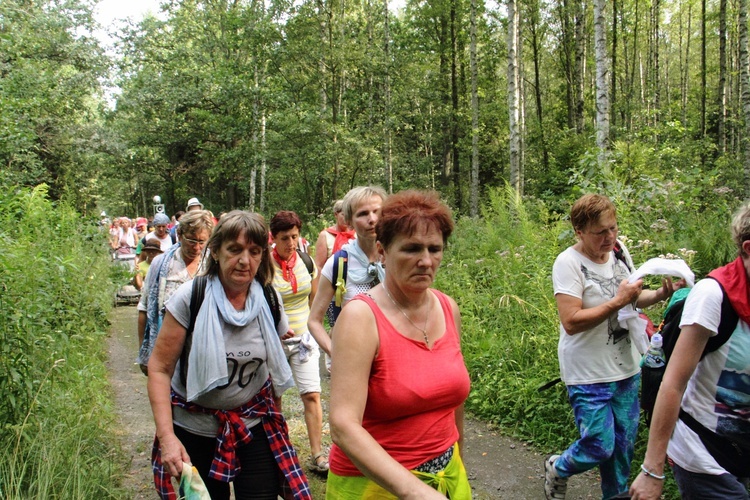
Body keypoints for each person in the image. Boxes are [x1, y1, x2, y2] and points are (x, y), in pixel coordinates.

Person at [147, 210, 311, 500]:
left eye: (254, 251)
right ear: (216, 251)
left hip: (253, 425)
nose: (244, 260)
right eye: (234, 250)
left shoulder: (269, 300)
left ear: (262, 256)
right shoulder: (190, 298)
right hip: (194, 431)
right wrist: (167, 438)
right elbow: (159, 368)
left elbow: (272, 370)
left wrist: (277, 418)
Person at [326, 190, 471, 498]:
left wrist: (459, 457)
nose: (425, 260)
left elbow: (454, 399)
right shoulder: (360, 318)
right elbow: (342, 424)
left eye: (435, 248)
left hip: (448, 476)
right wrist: (413, 491)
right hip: (373, 485)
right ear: (382, 251)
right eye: (412, 249)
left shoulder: (448, 308)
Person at [546, 193, 680, 500]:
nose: (610, 237)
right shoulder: (568, 264)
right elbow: (571, 320)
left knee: (622, 450)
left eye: (613, 228)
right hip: (587, 372)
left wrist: (659, 294)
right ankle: (559, 467)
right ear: (579, 232)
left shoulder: (620, 251)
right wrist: (618, 300)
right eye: (600, 232)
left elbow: (631, 301)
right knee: (599, 445)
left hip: (626, 368)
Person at [630, 204, 750, 500]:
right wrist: (651, 470)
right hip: (701, 451)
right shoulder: (713, 296)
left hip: (740, 449)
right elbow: (673, 383)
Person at [269, 210, 327, 474]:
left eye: (294, 236)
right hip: (274, 342)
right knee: (275, 399)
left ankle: (317, 454)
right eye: (284, 238)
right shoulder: (264, 266)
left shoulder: (306, 261)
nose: (290, 243)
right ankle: (279, 453)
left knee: (312, 394)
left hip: (304, 340)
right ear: (273, 238)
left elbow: (314, 300)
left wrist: (314, 331)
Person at [308, 186, 387, 360]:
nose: (372, 219)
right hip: (355, 357)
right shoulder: (338, 263)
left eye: (377, 211)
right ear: (349, 221)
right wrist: (335, 353)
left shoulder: (399, 258)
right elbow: (314, 321)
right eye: (363, 214)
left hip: (394, 357)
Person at [137, 210, 214, 374]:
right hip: (169, 348)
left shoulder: (213, 265)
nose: (196, 247)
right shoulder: (161, 264)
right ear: (179, 234)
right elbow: (144, 308)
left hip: (206, 349)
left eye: (202, 242)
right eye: (191, 240)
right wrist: (144, 354)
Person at [313, 199, 354, 274]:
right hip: (331, 279)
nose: (347, 218)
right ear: (336, 214)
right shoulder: (325, 235)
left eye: (349, 215)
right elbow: (319, 266)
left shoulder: (356, 234)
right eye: (343, 214)